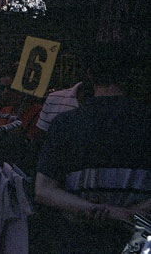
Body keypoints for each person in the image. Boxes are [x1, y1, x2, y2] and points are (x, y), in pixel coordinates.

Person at [35, 44, 151, 254]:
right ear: (130, 74)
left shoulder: (65, 124)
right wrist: (127, 213)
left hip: (79, 235)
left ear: (89, 75)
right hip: (141, 235)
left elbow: (43, 190)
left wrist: (90, 208)